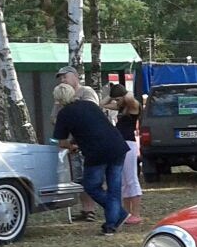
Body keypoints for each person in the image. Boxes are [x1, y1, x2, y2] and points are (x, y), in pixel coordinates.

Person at [53, 88, 130, 235]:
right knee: (114, 188)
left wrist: (72, 146)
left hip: (96, 151)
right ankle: (112, 223)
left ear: (58, 100)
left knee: (91, 186)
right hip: (117, 145)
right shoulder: (90, 105)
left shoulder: (63, 114)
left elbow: (62, 143)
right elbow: (95, 126)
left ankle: (117, 217)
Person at [54, 65, 100, 222]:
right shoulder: (60, 97)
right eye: (60, 78)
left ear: (74, 76)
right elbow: (54, 119)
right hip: (71, 143)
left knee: (91, 178)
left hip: (88, 142)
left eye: (64, 76)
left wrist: (71, 105)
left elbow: (91, 112)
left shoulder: (86, 92)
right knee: (78, 178)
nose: (62, 80)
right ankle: (86, 210)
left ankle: (94, 209)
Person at [104, 83, 143, 225]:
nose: (116, 102)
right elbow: (101, 104)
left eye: (118, 99)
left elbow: (130, 97)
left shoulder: (133, 106)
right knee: (124, 180)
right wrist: (111, 95)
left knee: (132, 178)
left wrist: (122, 93)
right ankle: (127, 212)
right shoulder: (121, 107)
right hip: (121, 144)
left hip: (129, 144)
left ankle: (136, 213)